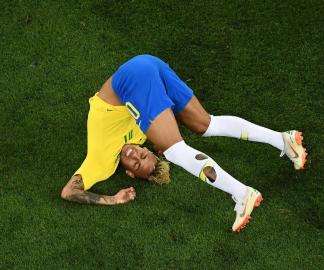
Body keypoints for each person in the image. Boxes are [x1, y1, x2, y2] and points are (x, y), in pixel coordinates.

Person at [61, 54, 307, 232]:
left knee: (176, 151)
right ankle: (283, 140)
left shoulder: (100, 161)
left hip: (132, 78)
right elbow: (159, 130)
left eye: (140, 158)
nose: (135, 154)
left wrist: (114, 199)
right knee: (206, 125)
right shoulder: (139, 136)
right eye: (139, 161)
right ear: (129, 174)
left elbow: (68, 191)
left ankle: (242, 193)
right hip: (148, 64)